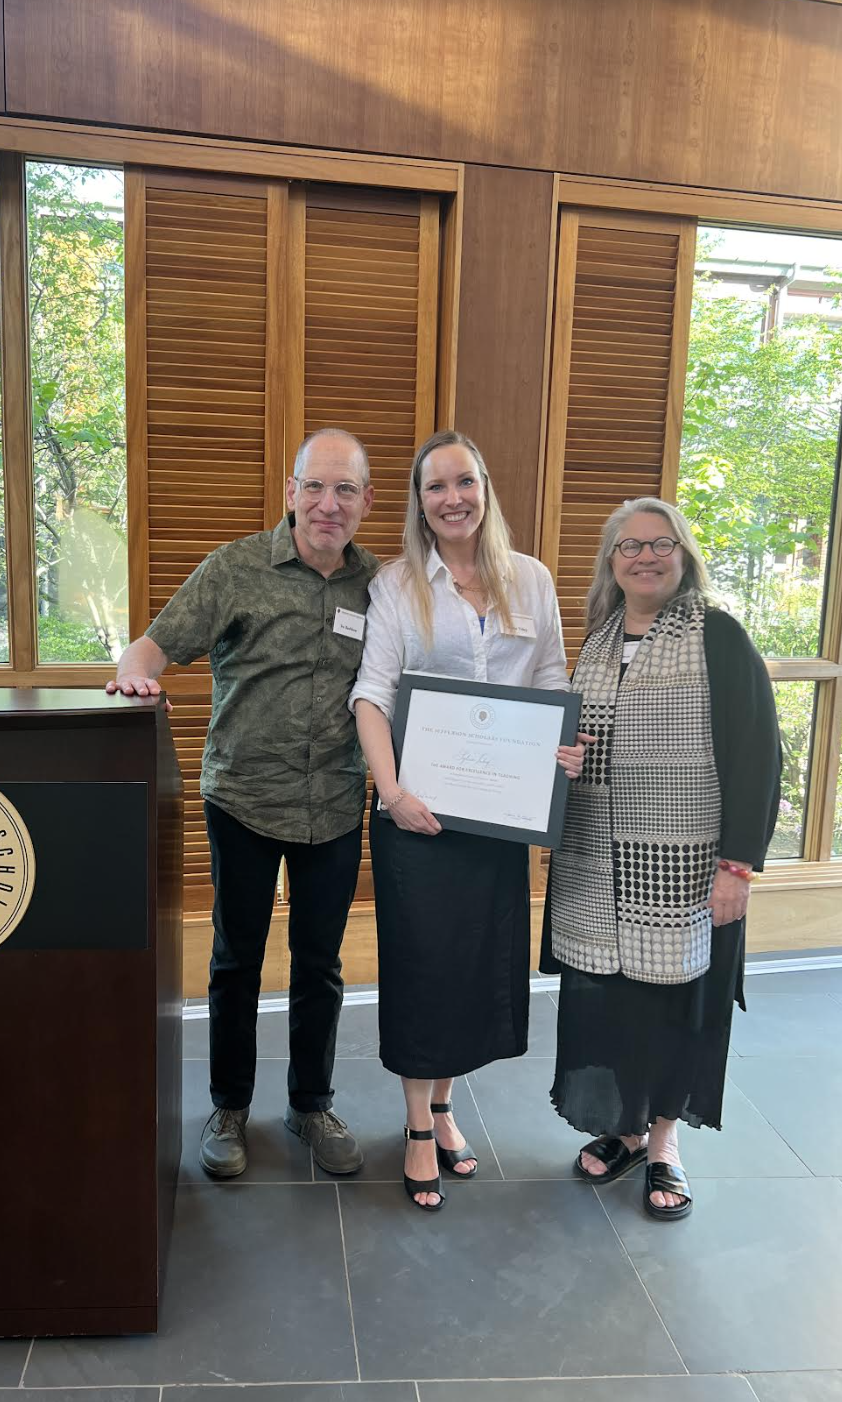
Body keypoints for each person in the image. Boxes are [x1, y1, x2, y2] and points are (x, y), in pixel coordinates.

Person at [108, 428, 377, 1178]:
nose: (329, 504)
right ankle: (229, 1105)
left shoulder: (379, 586)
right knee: (235, 959)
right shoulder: (235, 567)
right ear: (290, 491)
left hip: (333, 800)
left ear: (365, 502)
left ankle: (310, 1102)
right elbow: (150, 648)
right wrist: (135, 676)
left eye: (345, 490)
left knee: (320, 962)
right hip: (245, 800)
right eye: (315, 486)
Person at [350, 429, 585, 1211]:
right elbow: (372, 695)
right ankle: (418, 1125)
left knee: (475, 965)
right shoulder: (396, 585)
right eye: (434, 487)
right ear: (419, 503)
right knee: (423, 965)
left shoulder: (532, 580)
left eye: (464, 482)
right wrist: (391, 792)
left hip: (500, 820)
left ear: (485, 487)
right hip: (415, 816)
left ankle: (444, 1105)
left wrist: (563, 752)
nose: (452, 498)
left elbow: (551, 679)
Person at [542, 497, 781, 1221]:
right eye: (629, 546)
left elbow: (758, 757)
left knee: (678, 1004)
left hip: (685, 869)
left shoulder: (719, 638)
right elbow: (580, 740)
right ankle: (623, 1129)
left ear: (683, 555)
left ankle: (666, 1142)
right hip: (594, 868)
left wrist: (736, 866)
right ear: (610, 564)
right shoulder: (597, 642)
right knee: (614, 1003)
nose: (645, 557)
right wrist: (566, 762)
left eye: (661, 544)